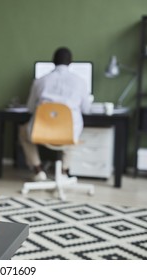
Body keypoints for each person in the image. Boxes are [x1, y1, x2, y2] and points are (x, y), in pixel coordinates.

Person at [19, 47, 92, 181]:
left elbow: (30, 108)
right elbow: (87, 109)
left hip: (42, 130)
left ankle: (38, 170)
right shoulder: (80, 81)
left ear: (53, 61)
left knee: (23, 132)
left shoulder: (40, 81)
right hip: (68, 132)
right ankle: (64, 171)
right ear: (71, 62)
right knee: (74, 133)